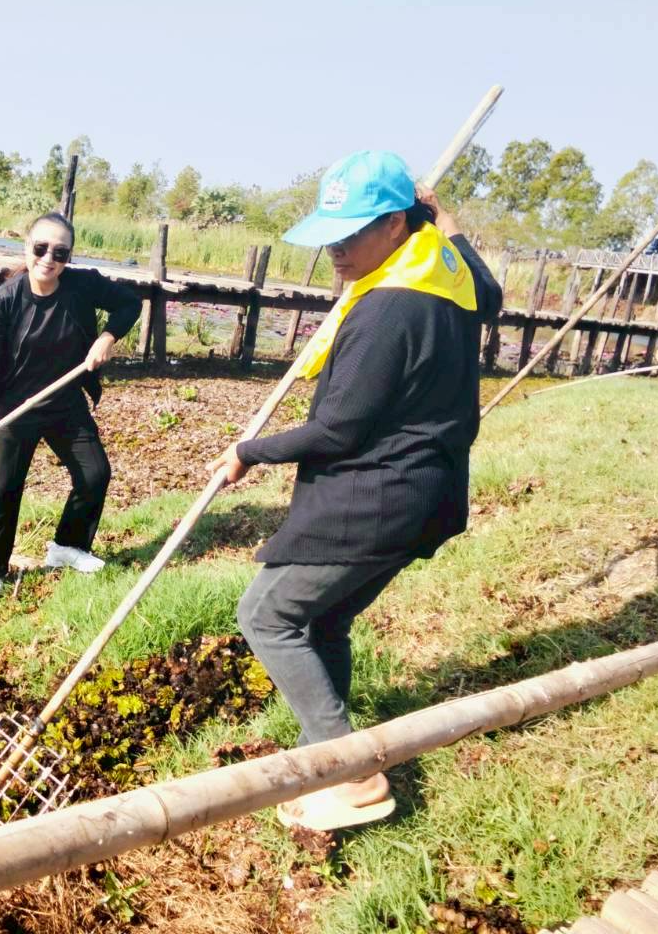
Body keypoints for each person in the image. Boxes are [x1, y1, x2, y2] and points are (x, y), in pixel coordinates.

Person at [207, 150, 502, 831]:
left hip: (377, 496)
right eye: (330, 233)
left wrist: (249, 452)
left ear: (396, 224)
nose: (336, 249)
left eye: (352, 232)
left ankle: (354, 777)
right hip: (427, 492)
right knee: (324, 621)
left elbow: (338, 429)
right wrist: (445, 220)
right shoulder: (446, 274)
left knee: (268, 616)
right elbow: (490, 291)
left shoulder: (386, 310)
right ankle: (325, 757)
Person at [0, 212, 141, 612]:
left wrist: (108, 337)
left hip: (65, 403)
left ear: (68, 257)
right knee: (4, 491)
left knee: (95, 473)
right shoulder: (2, 302)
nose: (49, 258)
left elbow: (130, 304)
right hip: (15, 409)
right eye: (41, 248)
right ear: (27, 248)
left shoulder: (81, 286)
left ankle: (67, 546)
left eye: (60, 252)